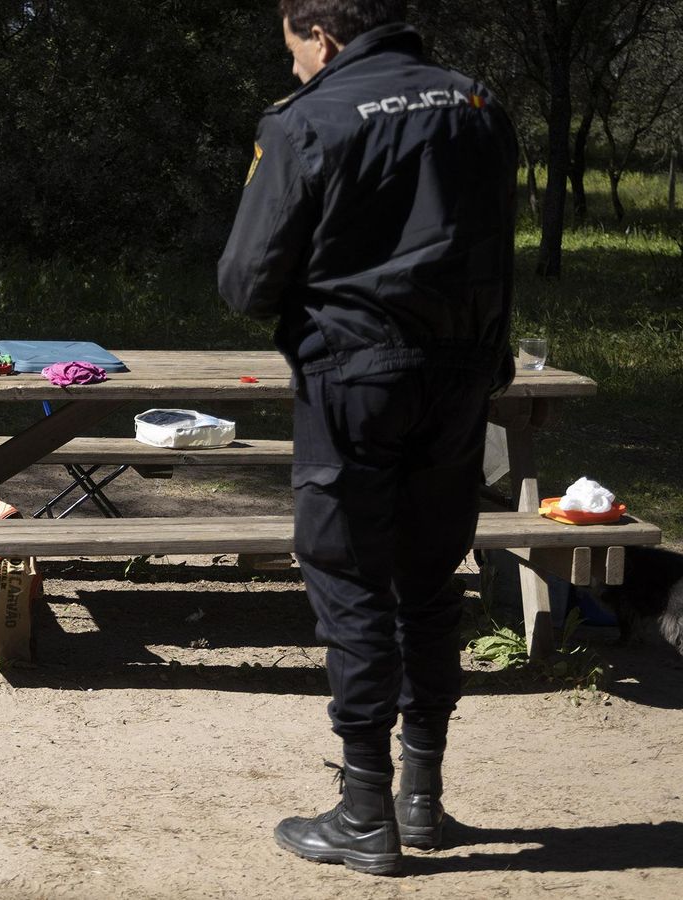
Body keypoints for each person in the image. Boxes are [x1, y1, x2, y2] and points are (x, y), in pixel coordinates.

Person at [217, 1, 517, 875]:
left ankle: (363, 811)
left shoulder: (307, 120)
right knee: (430, 578)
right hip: (463, 374)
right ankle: (422, 800)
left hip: (354, 377)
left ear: (325, 36)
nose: (297, 69)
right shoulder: (478, 105)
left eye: (296, 52)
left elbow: (245, 281)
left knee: (351, 577)